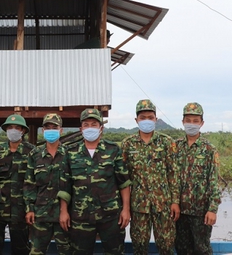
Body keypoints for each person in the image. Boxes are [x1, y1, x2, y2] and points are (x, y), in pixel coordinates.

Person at [58, 108, 131, 255]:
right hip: (81, 216)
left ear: (101, 128)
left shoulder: (113, 150)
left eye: (94, 124)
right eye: (86, 125)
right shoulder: (70, 152)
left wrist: (126, 209)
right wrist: (63, 211)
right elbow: (65, 185)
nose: (90, 128)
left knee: (115, 251)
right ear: (81, 129)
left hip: (110, 217)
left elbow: (124, 183)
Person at [121, 99, 180, 255]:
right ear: (136, 120)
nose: (146, 120)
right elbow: (124, 178)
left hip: (164, 205)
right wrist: (125, 207)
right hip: (138, 206)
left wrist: (175, 202)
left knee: (166, 245)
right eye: (142, 117)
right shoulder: (128, 144)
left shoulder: (167, 142)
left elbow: (173, 174)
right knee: (139, 245)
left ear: (155, 119)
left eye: (150, 117)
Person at [175, 102, 221, 255]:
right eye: (188, 120)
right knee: (182, 249)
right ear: (183, 122)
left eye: (195, 121)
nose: (191, 124)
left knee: (202, 249)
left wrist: (212, 209)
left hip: (201, 212)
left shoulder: (209, 149)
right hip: (179, 212)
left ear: (202, 123)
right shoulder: (175, 147)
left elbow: (214, 181)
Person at [24, 113, 70, 255]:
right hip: (41, 213)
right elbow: (29, 184)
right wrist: (29, 209)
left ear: (61, 130)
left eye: (54, 127)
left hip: (64, 215)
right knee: (37, 251)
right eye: (47, 127)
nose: (51, 130)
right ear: (43, 131)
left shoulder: (69, 154)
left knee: (67, 251)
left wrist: (66, 210)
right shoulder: (35, 154)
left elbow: (72, 185)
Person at [0, 114, 34, 255]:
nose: (13, 130)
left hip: (20, 210)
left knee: (21, 248)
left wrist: (30, 208)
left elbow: (33, 183)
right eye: (10, 127)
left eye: (17, 127)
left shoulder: (32, 152)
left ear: (23, 131)